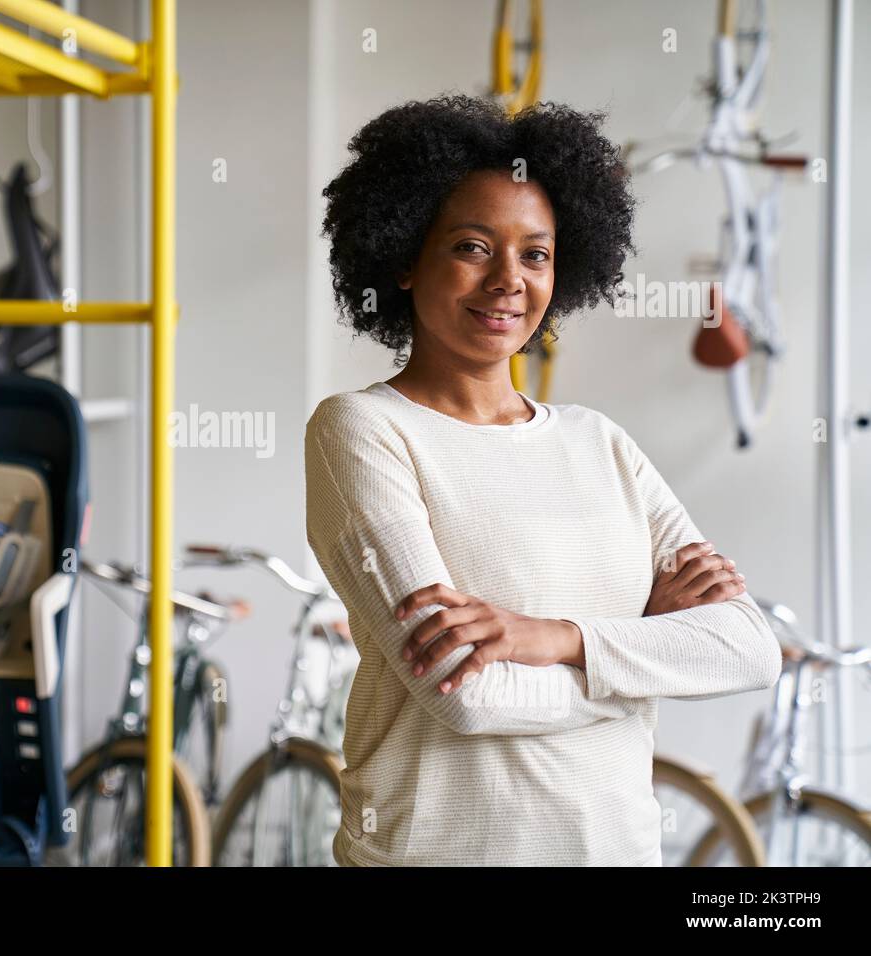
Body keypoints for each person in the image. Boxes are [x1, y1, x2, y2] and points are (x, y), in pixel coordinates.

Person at [304, 93, 782, 866]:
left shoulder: (602, 443)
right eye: (471, 246)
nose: (508, 280)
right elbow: (467, 696)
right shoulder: (362, 431)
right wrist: (647, 651)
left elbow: (750, 649)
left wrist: (554, 639)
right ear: (401, 256)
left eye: (536, 253)